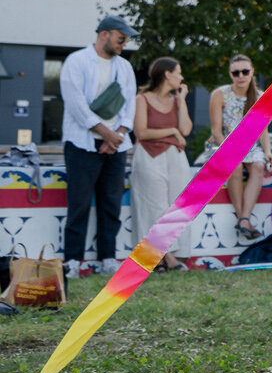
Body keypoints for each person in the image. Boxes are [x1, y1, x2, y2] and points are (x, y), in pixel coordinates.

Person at [60, 16, 138, 278]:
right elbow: (76, 105)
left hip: (116, 144)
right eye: (121, 38)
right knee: (79, 203)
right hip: (81, 144)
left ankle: (107, 258)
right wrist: (108, 134)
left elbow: (130, 107)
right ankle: (72, 260)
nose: (124, 43)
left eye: (126, 39)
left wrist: (117, 136)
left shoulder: (125, 67)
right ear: (104, 34)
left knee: (111, 204)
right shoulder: (76, 61)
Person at [129, 56, 193, 273]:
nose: (182, 77)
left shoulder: (177, 101)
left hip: (175, 157)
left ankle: (161, 259)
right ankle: (168, 258)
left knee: (174, 207)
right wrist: (172, 131)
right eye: (179, 72)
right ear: (167, 74)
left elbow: (185, 129)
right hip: (149, 156)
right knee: (153, 207)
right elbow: (141, 132)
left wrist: (182, 100)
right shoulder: (142, 98)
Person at [210, 54, 272, 242]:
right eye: (236, 73)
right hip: (225, 144)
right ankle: (243, 219)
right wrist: (228, 149)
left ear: (252, 72)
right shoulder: (220, 94)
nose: (241, 76)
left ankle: (243, 218)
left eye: (245, 71)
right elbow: (216, 131)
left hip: (252, 146)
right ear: (230, 74)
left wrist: (268, 151)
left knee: (259, 166)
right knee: (234, 166)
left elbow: (263, 130)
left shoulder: (261, 96)